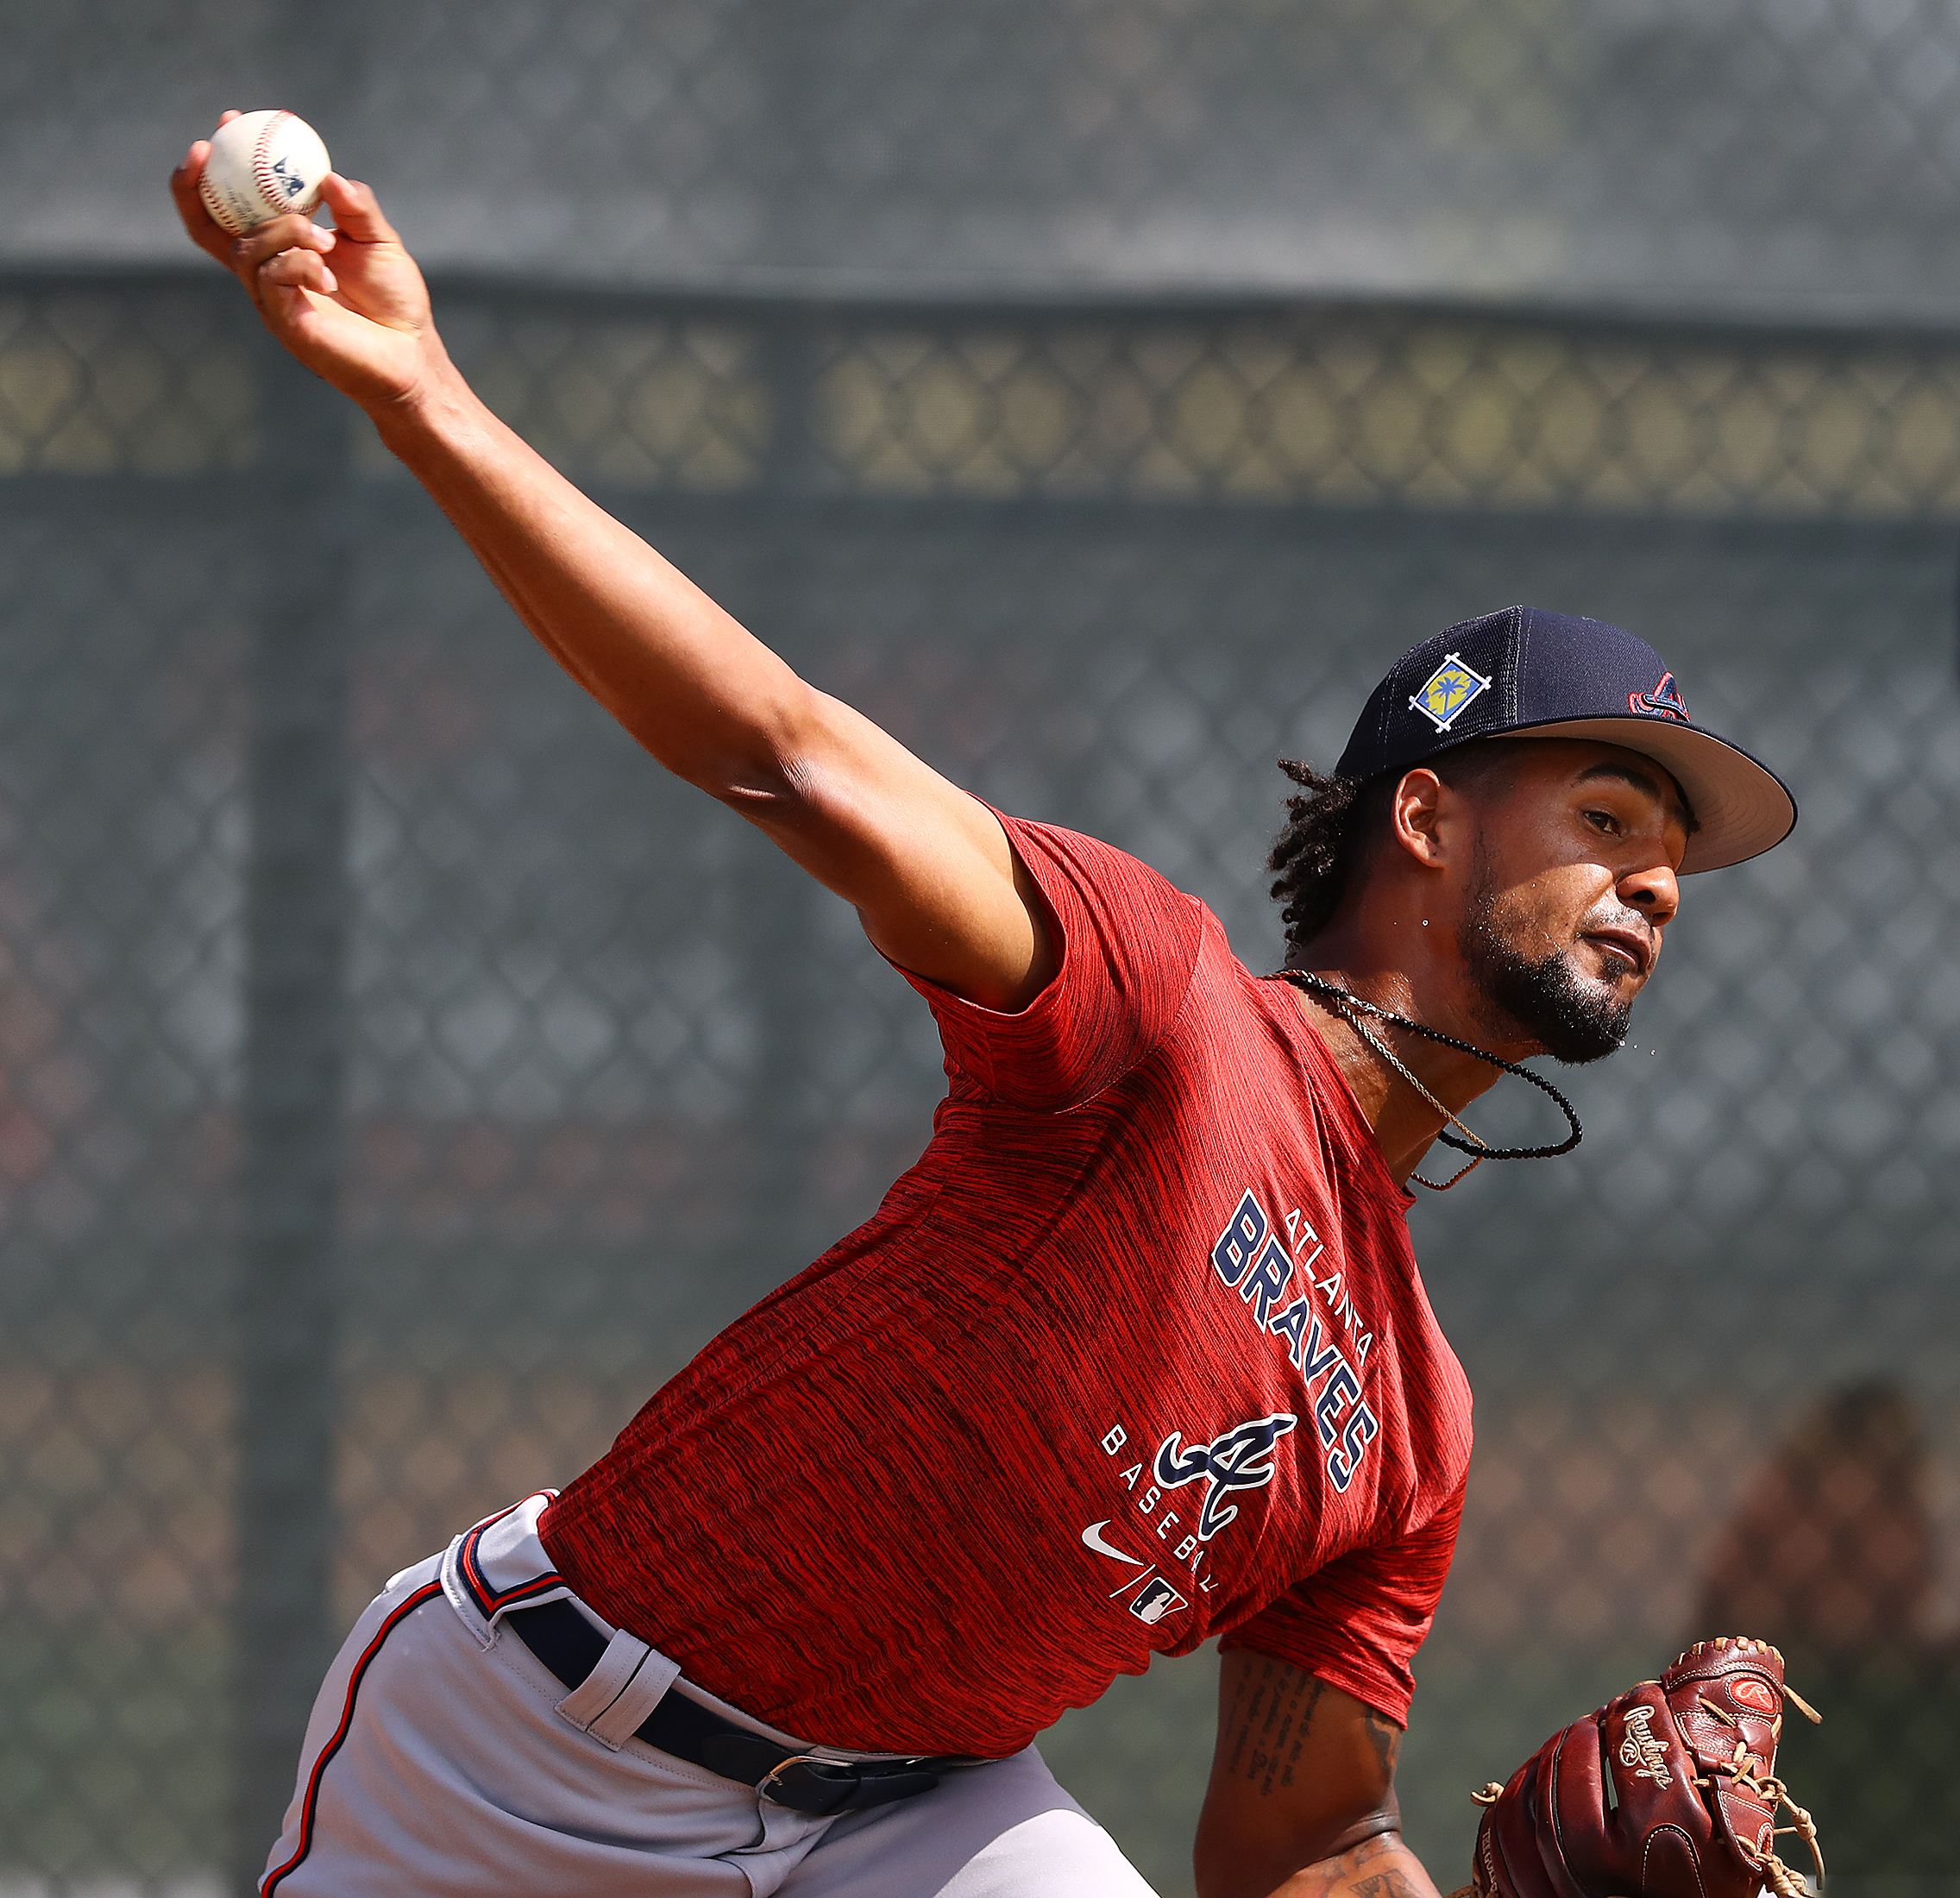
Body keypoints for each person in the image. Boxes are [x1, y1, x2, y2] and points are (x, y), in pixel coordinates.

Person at [172, 123, 1798, 1898]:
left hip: (916, 1820)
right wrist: (423, 395)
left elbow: (1307, 1837)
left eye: (1671, 855)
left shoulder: (1410, 1422)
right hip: (530, 1745)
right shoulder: (1156, 1008)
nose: (1652, 878)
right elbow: (782, 753)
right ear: (1421, 818)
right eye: (1605, 815)